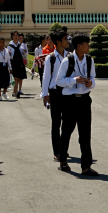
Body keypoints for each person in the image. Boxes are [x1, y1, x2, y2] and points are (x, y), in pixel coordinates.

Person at [56, 33, 98, 176]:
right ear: (79, 46)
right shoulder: (68, 61)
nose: (88, 46)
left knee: (85, 133)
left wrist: (90, 83)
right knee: (66, 131)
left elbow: (93, 79)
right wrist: (74, 80)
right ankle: (63, 161)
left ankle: (86, 166)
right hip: (70, 101)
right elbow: (59, 81)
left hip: (85, 100)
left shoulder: (89, 61)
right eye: (87, 43)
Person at [40, 30, 69, 162]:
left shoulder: (70, 56)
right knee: (56, 123)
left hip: (67, 92)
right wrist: (45, 95)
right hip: (55, 92)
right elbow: (46, 77)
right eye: (65, 39)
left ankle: (64, 149)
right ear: (58, 42)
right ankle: (57, 151)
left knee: (67, 123)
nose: (67, 41)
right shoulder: (50, 58)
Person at [9, 31, 28, 98]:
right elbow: (9, 56)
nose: (16, 37)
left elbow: (24, 53)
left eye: (16, 35)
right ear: (12, 37)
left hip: (19, 62)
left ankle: (16, 91)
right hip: (13, 62)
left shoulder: (21, 45)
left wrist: (24, 52)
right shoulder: (10, 45)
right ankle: (15, 91)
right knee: (15, 77)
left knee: (18, 77)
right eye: (14, 35)